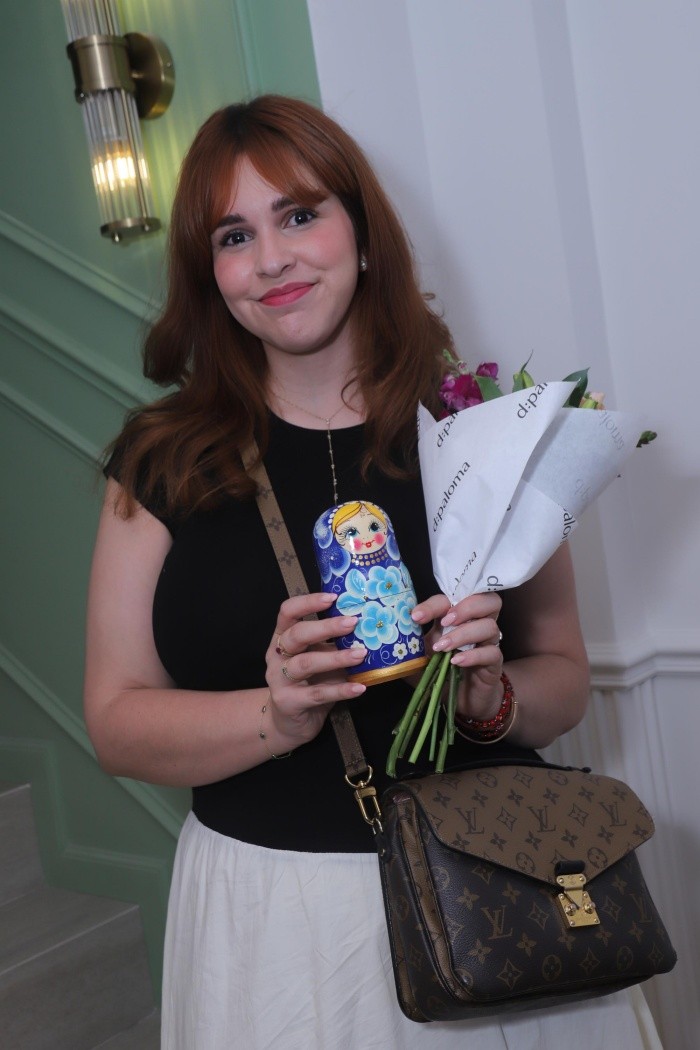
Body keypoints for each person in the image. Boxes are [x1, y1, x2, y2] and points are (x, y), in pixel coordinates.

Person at [84, 95, 661, 1049]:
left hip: (497, 891)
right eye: (234, 235)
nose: (272, 259)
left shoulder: (487, 433)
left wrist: (491, 702)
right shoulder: (162, 461)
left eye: (299, 214)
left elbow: (562, 674)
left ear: (361, 231)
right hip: (275, 916)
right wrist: (275, 716)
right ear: (208, 272)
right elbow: (115, 720)